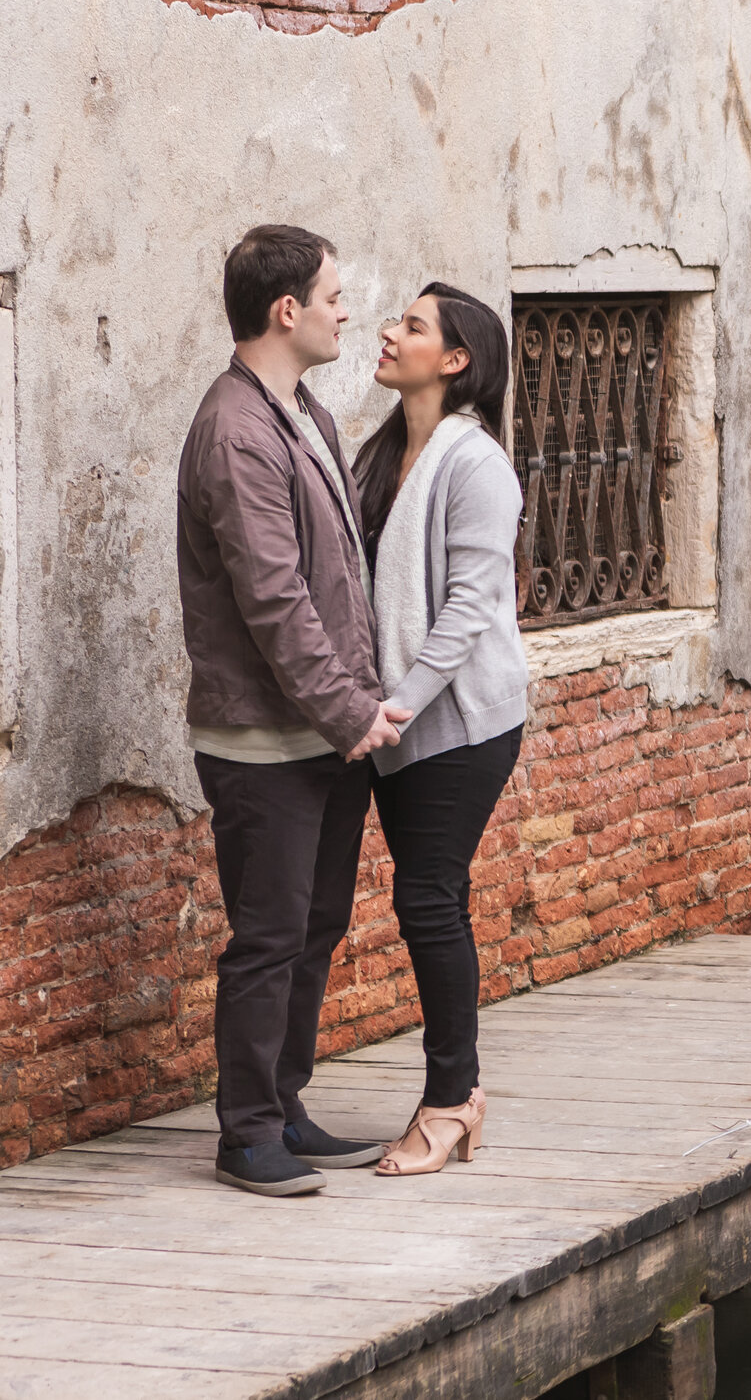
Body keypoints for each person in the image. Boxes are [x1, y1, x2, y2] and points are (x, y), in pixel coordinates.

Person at [180, 225, 410, 1197]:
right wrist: (351, 710)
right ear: (286, 311)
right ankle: (247, 1135)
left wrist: (350, 711)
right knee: (270, 936)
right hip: (265, 739)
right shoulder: (236, 430)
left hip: (317, 731)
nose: (346, 309)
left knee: (312, 930)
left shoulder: (300, 407)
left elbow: (338, 576)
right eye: (332, 295)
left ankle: (286, 1104)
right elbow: (277, 600)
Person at [352, 283, 526, 1177]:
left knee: (426, 898)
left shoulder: (475, 464)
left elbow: (469, 605)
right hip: (401, 715)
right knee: (432, 899)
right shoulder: (384, 455)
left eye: (412, 326)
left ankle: (452, 1099)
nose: (389, 331)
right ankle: (461, 1092)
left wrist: (400, 702)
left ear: (455, 361)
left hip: (461, 721)